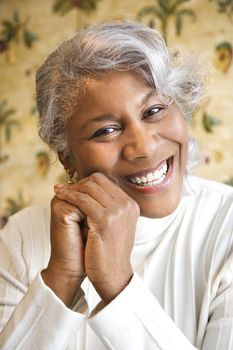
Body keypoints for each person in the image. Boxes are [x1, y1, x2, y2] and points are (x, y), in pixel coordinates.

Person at [0, 21, 232, 350]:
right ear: (67, 157)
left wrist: (119, 285)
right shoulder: (21, 241)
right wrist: (62, 276)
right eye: (106, 130)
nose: (145, 147)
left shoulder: (227, 225)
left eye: (154, 110)